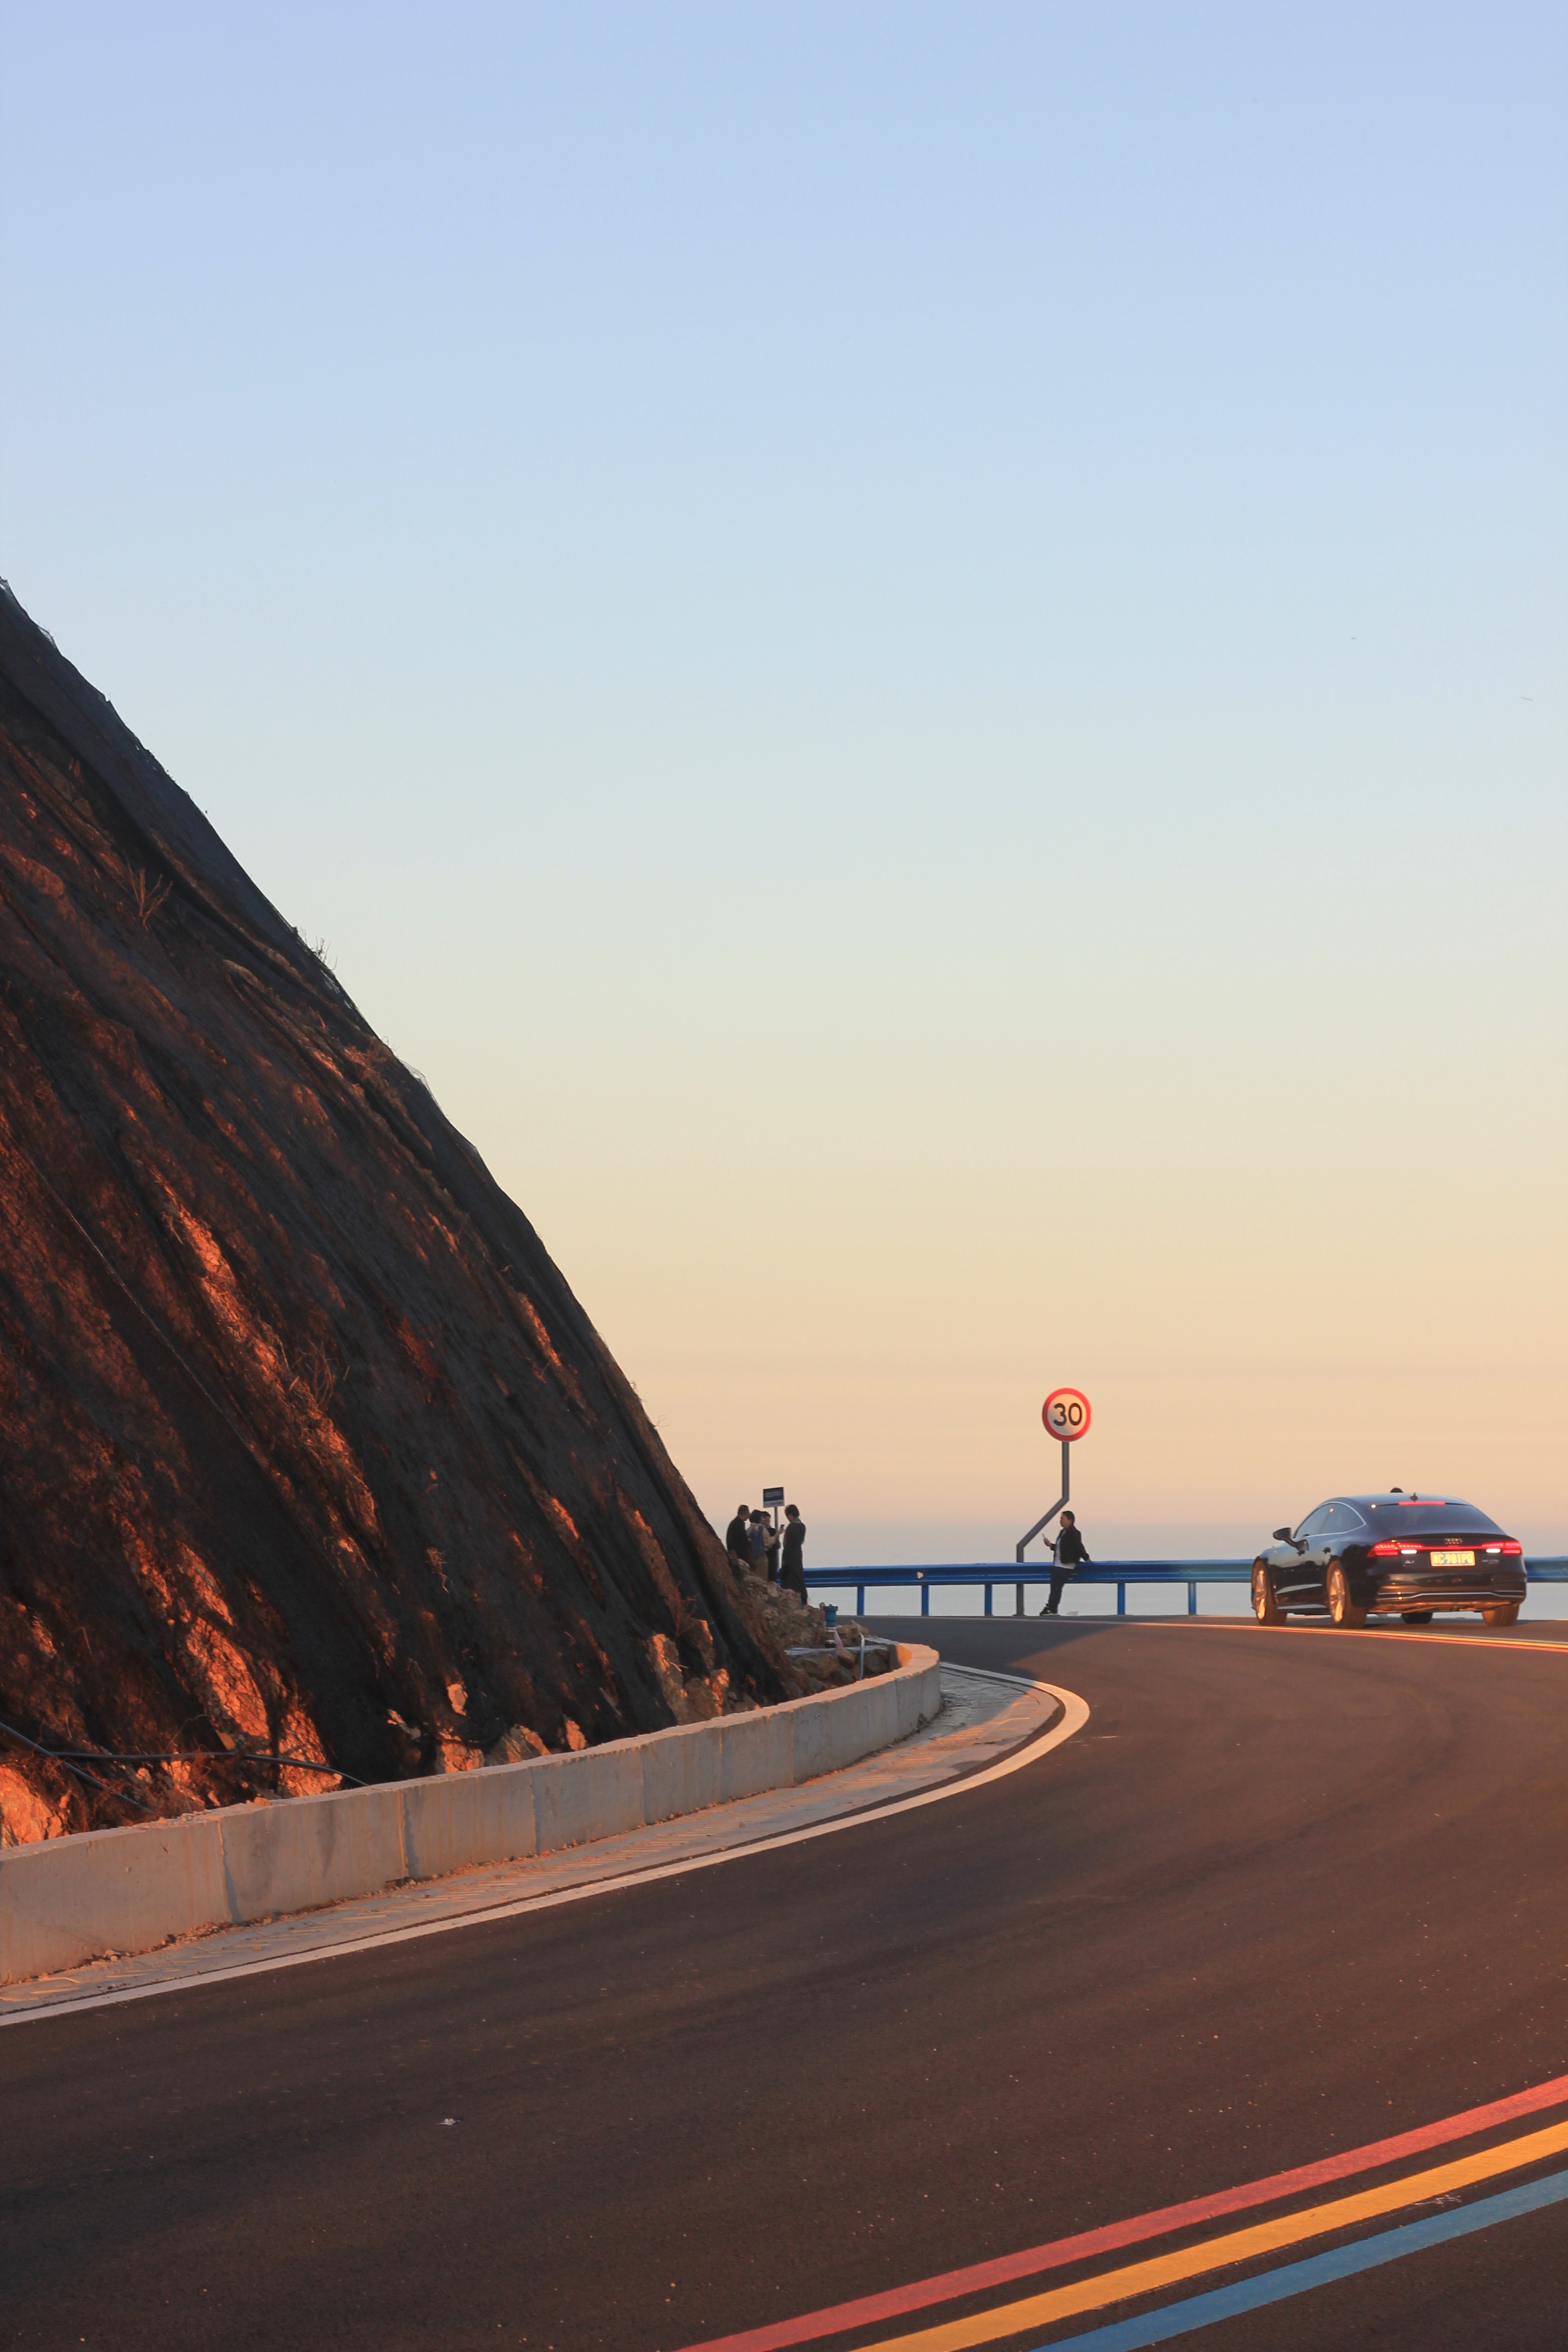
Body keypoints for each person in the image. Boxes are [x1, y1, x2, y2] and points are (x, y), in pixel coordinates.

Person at [1040, 1510, 1089, 1616]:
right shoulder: (1063, 1532)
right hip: (1059, 1563)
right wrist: (1050, 1545)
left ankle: (1051, 1608)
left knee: (1057, 1587)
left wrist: (1086, 1558)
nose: (1060, 1521)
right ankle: (1051, 1608)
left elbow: (1078, 1546)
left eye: (1063, 1518)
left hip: (1065, 1564)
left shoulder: (1073, 1532)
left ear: (1070, 1520)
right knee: (1055, 1586)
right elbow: (1061, 1548)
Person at [780, 1504, 807, 1603]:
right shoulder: (802, 1526)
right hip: (798, 1555)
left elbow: (788, 1545)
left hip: (790, 1556)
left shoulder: (791, 1527)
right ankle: (804, 1599)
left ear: (790, 1515)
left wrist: (785, 1561)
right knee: (799, 1578)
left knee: (789, 1581)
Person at [749, 1508, 778, 1582]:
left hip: (752, 1556)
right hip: (761, 1556)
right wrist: (776, 1535)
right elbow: (768, 1542)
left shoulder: (751, 1528)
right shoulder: (761, 1528)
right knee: (762, 1578)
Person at [724, 1505, 752, 1577]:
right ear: (745, 1513)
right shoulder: (737, 1525)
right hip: (738, 1556)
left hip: (740, 1555)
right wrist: (735, 1558)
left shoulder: (738, 1524)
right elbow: (731, 1542)